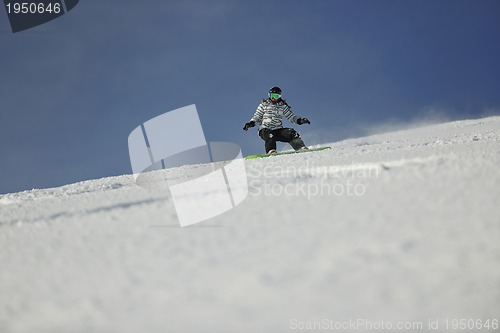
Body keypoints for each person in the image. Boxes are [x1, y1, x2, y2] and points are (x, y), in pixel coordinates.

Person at [243, 86, 311, 154]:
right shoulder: (264, 105)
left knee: (291, 133)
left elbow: (291, 116)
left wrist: (300, 121)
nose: (273, 98)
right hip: (265, 130)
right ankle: (271, 151)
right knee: (270, 134)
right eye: (271, 95)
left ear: (279, 96)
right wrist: (250, 123)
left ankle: (300, 148)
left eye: (276, 96)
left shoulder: (283, 106)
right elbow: (257, 116)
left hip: (277, 130)